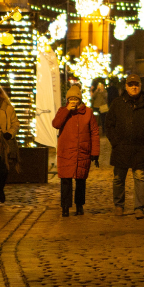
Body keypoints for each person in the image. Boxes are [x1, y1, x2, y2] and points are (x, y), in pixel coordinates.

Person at [105, 73, 144, 219]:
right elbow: (109, 124)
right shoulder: (118, 103)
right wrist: (115, 142)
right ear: (126, 86)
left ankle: (139, 207)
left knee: (140, 177)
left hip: (140, 147)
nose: (134, 87)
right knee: (118, 178)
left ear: (140, 86)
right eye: (131, 85)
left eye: (136, 84)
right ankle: (119, 205)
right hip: (121, 147)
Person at [52, 84, 100, 217]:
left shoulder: (88, 112)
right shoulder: (63, 111)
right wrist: (66, 110)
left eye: (75, 98)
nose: (73, 101)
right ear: (67, 100)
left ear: (80, 99)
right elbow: (56, 124)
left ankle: (79, 205)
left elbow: (94, 132)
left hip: (82, 151)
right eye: (70, 99)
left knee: (80, 180)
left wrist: (95, 152)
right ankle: (65, 207)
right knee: (65, 181)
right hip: (66, 151)